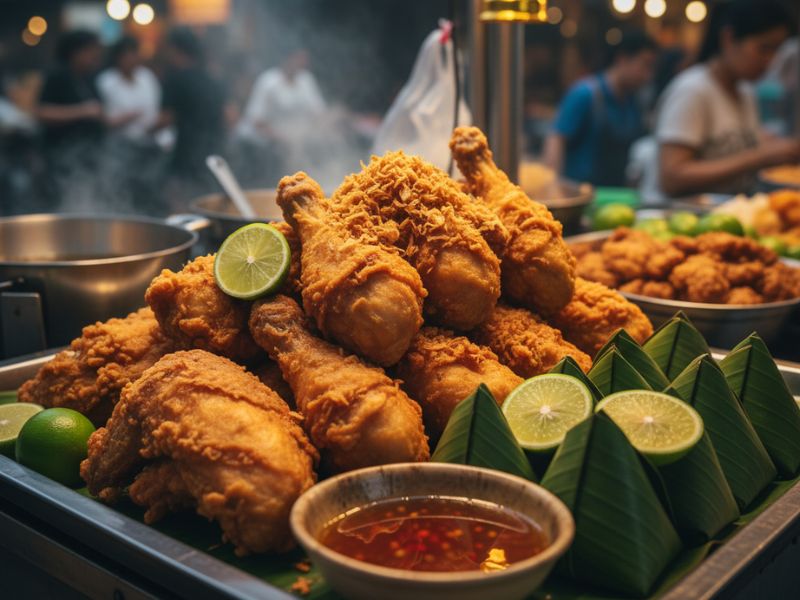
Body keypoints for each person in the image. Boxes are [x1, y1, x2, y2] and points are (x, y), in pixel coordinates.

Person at [654, 0, 800, 199]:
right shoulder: (693, 90)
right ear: (729, 38)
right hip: (687, 217)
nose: (770, 60)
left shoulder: (746, 92)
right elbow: (671, 177)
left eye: (776, 51)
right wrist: (759, 157)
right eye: (764, 48)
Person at [543, 30, 658, 187]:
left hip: (617, 195)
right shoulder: (584, 94)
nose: (647, 76)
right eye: (645, 65)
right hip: (581, 194)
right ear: (623, 60)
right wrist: (551, 186)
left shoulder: (634, 101)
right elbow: (556, 139)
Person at [153, 27, 226, 205]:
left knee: (179, 203)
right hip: (215, 150)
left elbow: (165, 118)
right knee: (207, 203)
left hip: (186, 152)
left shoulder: (176, 78)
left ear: (174, 49)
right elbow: (228, 116)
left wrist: (144, 127)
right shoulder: (211, 78)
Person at [36, 30, 104, 210]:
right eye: (91, 50)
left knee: (86, 201)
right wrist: (82, 111)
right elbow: (42, 112)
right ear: (76, 51)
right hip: (60, 156)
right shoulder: (57, 75)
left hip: (88, 156)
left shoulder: (89, 77)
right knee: (60, 204)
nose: (95, 56)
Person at [235, 46, 326, 180]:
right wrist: (283, 138)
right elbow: (256, 121)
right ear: (287, 59)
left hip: (292, 140)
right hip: (262, 141)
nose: (303, 63)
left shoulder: (306, 79)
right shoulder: (268, 81)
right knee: (280, 158)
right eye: (298, 59)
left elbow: (318, 113)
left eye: (304, 60)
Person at [97, 36, 160, 141]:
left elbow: (155, 110)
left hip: (148, 139)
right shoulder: (106, 81)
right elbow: (104, 118)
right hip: (117, 142)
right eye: (127, 56)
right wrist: (129, 116)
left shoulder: (147, 76)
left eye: (134, 55)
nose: (131, 59)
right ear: (118, 57)